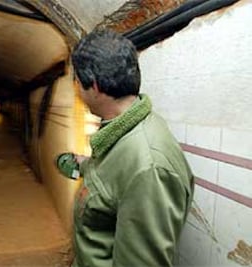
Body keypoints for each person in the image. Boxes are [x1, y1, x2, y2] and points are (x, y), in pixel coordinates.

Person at [65, 29, 195, 267]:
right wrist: (87, 165)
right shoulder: (121, 133)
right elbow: (114, 187)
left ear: (93, 87)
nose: (76, 90)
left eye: (76, 82)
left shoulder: (149, 167)